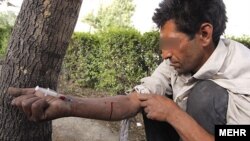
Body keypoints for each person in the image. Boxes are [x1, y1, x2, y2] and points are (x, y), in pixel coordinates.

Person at [8, 0, 250, 141]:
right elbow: (132, 101)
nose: (165, 54)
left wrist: (174, 114)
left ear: (204, 34)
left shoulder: (243, 75)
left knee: (204, 96)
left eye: (171, 44)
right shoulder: (176, 64)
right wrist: (68, 104)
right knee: (152, 102)